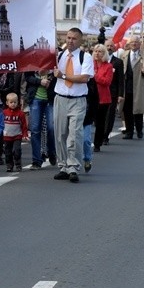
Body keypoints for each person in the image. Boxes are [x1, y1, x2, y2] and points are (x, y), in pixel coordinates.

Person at [52, 27, 94, 183]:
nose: (70, 41)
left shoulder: (85, 57)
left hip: (77, 100)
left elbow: (84, 78)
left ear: (80, 40)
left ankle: (73, 166)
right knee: (60, 134)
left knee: (74, 134)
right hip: (60, 99)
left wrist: (62, 75)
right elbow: (45, 70)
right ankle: (63, 165)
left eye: (74, 38)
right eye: (68, 38)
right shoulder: (59, 55)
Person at [120, 36, 144, 139]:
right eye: (132, 42)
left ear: (140, 44)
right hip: (127, 87)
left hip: (139, 86)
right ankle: (129, 131)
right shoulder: (124, 55)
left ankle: (139, 130)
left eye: (136, 42)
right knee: (127, 110)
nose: (134, 44)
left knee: (138, 111)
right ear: (129, 44)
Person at [24, 69, 56, 169]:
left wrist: (50, 82)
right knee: (35, 129)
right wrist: (40, 81)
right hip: (36, 98)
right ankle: (36, 161)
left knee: (51, 128)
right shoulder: (33, 59)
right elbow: (28, 77)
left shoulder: (54, 60)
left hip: (50, 99)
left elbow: (59, 78)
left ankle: (51, 152)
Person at [91, 44, 114, 152]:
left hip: (103, 98)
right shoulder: (90, 64)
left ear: (104, 54)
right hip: (90, 96)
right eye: (95, 51)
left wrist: (95, 76)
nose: (97, 53)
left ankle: (97, 143)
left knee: (100, 123)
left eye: (100, 51)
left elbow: (107, 81)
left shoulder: (108, 66)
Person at [2, 92, 27, 172]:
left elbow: (24, 125)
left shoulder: (21, 113)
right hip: (7, 135)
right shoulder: (4, 113)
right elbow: (0, 124)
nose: (13, 104)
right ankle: (9, 165)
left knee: (17, 150)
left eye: (15, 102)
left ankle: (18, 164)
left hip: (17, 135)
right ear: (7, 103)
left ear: (18, 102)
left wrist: (24, 134)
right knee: (7, 152)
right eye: (11, 102)